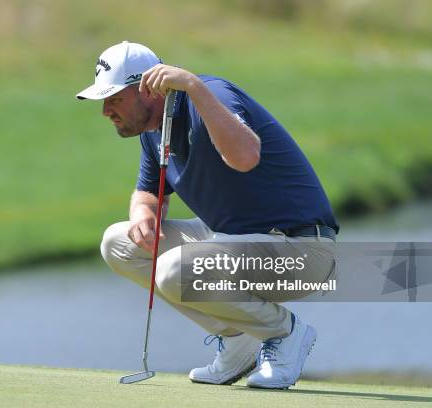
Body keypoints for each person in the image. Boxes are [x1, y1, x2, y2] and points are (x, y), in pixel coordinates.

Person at [76, 41, 339, 389]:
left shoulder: (209, 96)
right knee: (118, 243)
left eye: (115, 98)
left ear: (148, 89)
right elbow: (148, 194)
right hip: (235, 241)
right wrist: (143, 214)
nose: (107, 110)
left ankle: (286, 333)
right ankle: (238, 338)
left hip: (301, 248)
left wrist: (195, 87)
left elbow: (246, 157)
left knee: (175, 270)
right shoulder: (154, 131)